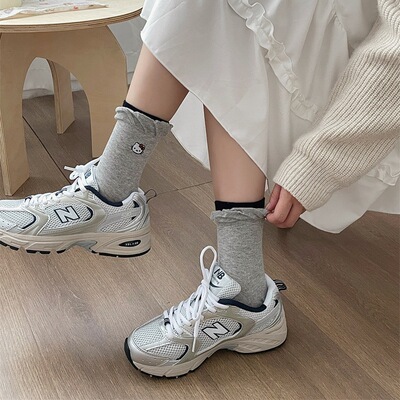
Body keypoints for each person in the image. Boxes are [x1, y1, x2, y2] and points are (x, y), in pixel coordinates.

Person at [0, 0, 399, 378]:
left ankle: (112, 193)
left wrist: (318, 162)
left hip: (369, 99)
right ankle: (240, 288)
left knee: (243, 15)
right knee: (234, 19)